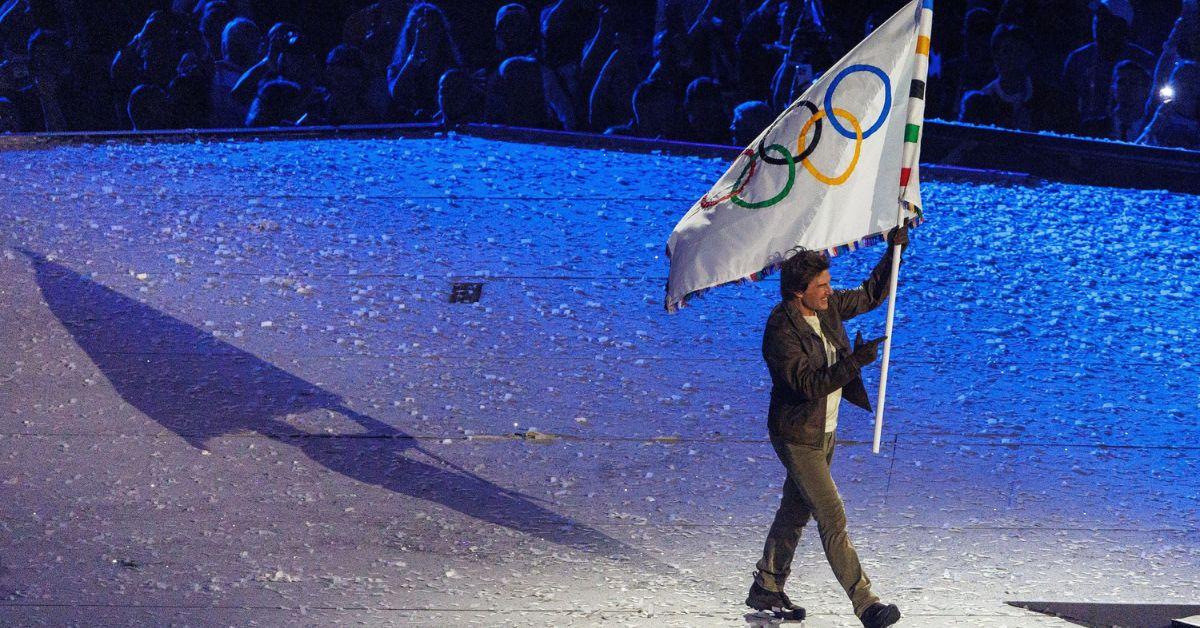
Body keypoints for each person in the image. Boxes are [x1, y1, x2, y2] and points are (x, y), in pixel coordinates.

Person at [747, 226, 908, 628]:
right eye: (821, 285)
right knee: (831, 516)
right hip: (797, 434)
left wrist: (893, 252)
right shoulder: (781, 330)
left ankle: (768, 584)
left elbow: (872, 294)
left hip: (825, 430)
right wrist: (855, 362)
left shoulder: (827, 307)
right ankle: (866, 603)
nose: (829, 291)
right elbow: (807, 385)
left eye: (829, 283)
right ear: (798, 292)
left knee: (795, 509)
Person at [1061, 0, 1154, 122]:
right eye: (1097, 18)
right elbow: (1064, 104)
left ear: (1123, 27)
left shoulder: (1142, 60)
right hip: (1084, 135)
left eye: (1106, 20)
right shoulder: (1079, 58)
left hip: (1130, 135)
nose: (1098, 24)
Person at [1080, 59, 1151, 141]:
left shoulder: (1155, 131)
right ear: (1113, 88)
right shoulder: (1091, 128)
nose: (1127, 88)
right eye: (1121, 82)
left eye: (1133, 82)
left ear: (1146, 90)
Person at [1137, 60, 1200, 149]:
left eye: (1193, 80)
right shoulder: (1160, 114)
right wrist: (1155, 124)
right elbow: (1135, 148)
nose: (1187, 86)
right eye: (1182, 79)